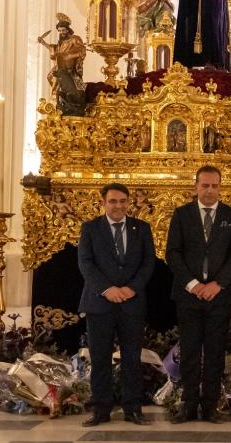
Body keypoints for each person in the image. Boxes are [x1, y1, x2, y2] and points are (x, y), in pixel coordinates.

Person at [165, 165, 231, 424]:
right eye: (205, 185)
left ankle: (210, 406)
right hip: (189, 296)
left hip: (219, 296)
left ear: (220, 187)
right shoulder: (182, 214)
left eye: (214, 186)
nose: (210, 190)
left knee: (214, 352)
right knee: (189, 351)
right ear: (196, 186)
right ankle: (188, 405)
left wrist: (217, 284)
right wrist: (193, 284)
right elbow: (173, 252)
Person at [77, 183, 156, 427]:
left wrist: (131, 288)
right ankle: (101, 409)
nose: (118, 206)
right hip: (100, 303)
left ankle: (133, 409)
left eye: (123, 201)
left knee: (132, 358)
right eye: (113, 201)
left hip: (132, 303)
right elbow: (86, 263)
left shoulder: (141, 228)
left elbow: (148, 263)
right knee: (100, 358)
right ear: (103, 203)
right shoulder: (90, 228)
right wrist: (107, 289)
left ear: (128, 202)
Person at [37, 13, 86, 116]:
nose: (61, 32)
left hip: (70, 66)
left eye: (63, 30)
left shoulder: (75, 39)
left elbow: (81, 50)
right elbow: (55, 51)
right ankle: (58, 98)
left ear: (68, 29)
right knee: (50, 77)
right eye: (59, 31)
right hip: (60, 65)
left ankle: (66, 99)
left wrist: (68, 55)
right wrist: (43, 43)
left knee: (66, 82)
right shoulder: (61, 42)